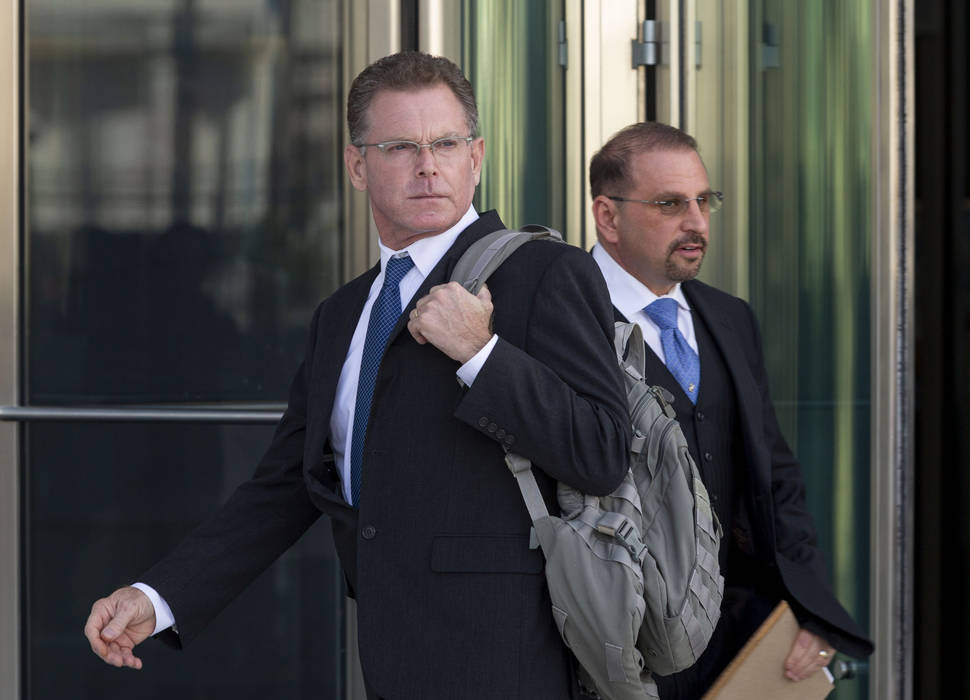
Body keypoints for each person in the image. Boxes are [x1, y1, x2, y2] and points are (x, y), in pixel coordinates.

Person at [85, 51, 631, 700]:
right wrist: (159, 597)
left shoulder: (545, 275)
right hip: (389, 653)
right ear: (356, 166)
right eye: (401, 146)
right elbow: (284, 486)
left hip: (508, 662)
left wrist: (483, 354)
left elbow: (601, 452)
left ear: (476, 157)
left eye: (447, 144)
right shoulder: (343, 314)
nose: (429, 165)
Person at [588, 122, 873, 698]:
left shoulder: (728, 317)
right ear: (608, 216)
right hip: (619, 645)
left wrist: (810, 607)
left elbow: (774, 476)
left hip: (740, 640)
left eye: (703, 200)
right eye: (670, 204)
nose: (696, 223)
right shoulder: (563, 319)